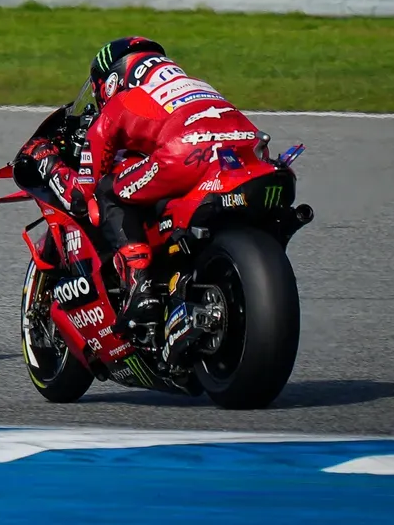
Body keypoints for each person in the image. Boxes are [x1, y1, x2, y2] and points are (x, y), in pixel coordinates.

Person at [16, 36, 261, 328]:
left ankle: (140, 282)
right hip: (249, 154)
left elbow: (80, 196)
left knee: (107, 191)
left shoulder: (121, 103)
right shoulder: (197, 86)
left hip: (184, 155)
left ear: (112, 80)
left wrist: (48, 160)